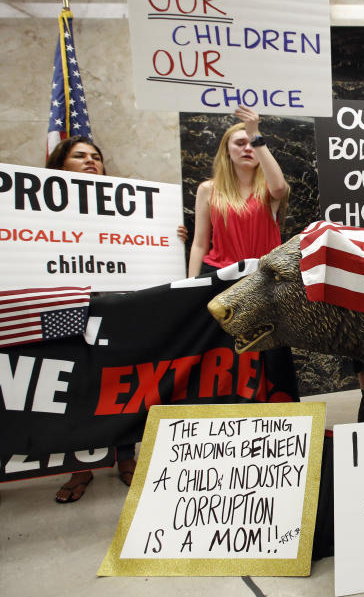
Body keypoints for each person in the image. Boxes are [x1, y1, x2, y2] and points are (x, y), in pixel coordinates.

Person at [45, 136, 185, 502]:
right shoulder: (40, 209)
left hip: (115, 306)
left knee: (123, 381)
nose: (91, 162)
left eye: (96, 157)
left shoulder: (127, 206)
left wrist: (171, 237)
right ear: (60, 166)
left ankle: (127, 459)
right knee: (77, 385)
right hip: (68, 304)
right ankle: (80, 468)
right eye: (80, 156)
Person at [188, 106, 289, 277]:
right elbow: (199, 244)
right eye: (240, 143)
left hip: (260, 277)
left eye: (253, 145)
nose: (248, 148)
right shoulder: (207, 189)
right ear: (227, 150)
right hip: (219, 273)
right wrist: (190, 285)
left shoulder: (269, 188)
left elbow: (279, 188)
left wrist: (255, 134)